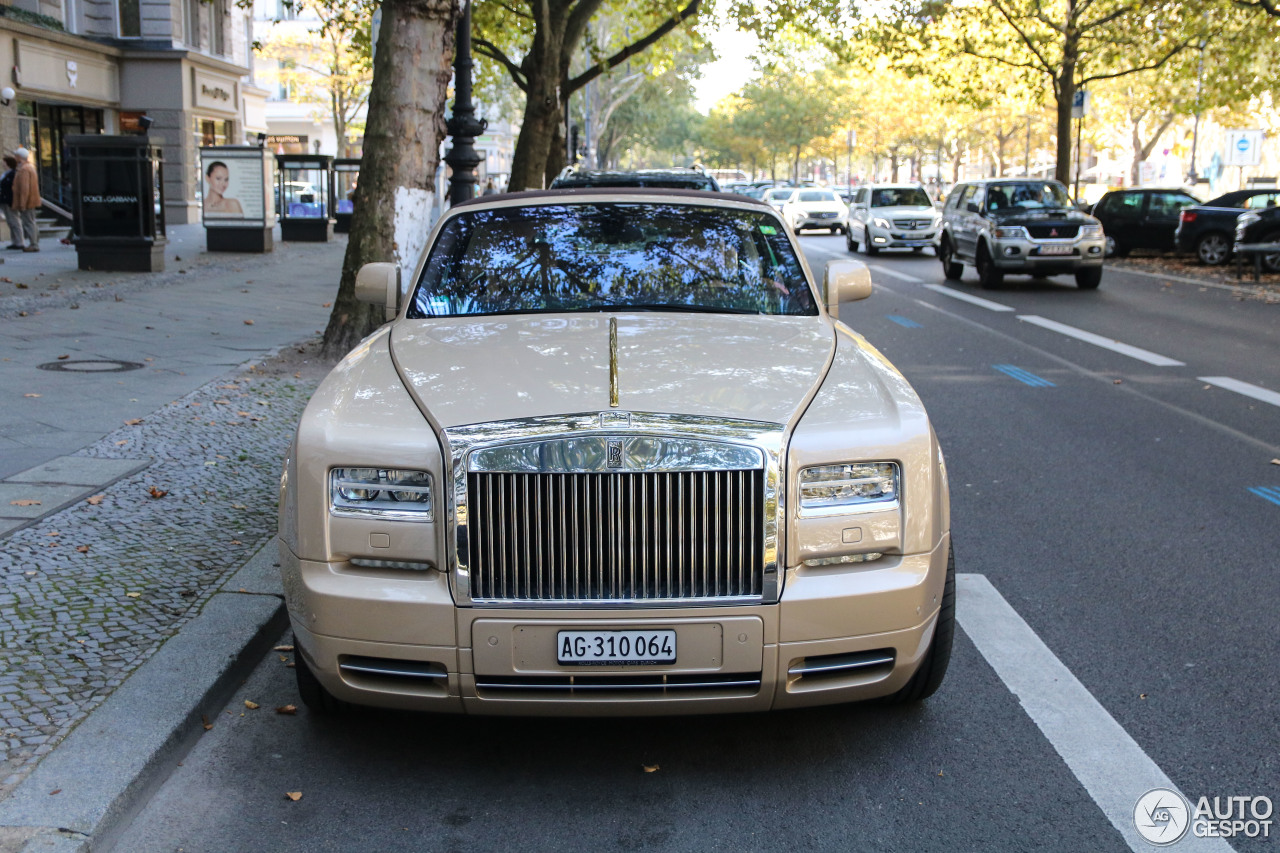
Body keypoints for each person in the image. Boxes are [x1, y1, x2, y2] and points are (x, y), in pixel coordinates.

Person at [12, 148, 41, 252]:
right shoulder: (29, 167)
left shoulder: (24, 169)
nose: (14, 158)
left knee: (28, 223)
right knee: (31, 222)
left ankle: (34, 244)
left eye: (16, 156)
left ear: (19, 157)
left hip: (28, 201)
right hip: (31, 200)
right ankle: (35, 242)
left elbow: (24, 188)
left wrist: (22, 203)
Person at [0, 155, 21, 249]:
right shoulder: (6, 173)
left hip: (10, 200)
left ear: (8, 163)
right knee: (10, 221)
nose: (2, 163)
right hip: (4, 200)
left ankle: (19, 241)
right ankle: (14, 241)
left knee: (14, 221)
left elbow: (12, 188)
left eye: (4, 162)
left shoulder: (13, 173)